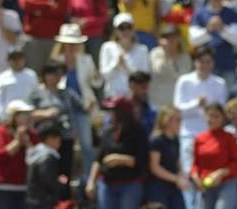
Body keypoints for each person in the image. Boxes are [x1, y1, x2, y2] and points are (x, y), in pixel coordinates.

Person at [86, 95, 148, 209]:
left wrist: (120, 159)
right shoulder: (108, 132)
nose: (110, 114)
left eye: (113, 110)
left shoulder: (138, 131)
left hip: (130, 184)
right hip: (107, 183)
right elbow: (98, 159)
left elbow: (141, 161)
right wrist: (91, 181)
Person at [174, 45, 228, 209]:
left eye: (208, 61)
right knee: (190, 172)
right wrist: (196, 104)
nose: (205, 65)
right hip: (189, 132)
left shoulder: (219, 83)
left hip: (210, 134)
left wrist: (208, 108)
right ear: (195, 62)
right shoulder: (184, 81)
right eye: (201, 61)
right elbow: (179, 108)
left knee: (207, 172)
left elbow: (222, 108)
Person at [53, 22, 100, 183]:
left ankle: (88, 178)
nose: (71, 47)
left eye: (74, 44)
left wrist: (95, 75)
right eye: (68, 44)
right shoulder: (57, 61)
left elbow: (97, 83)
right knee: (65, 146)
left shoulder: (86, 60)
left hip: (83, 108)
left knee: (87, 145)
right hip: (63, 110)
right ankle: (62, 177)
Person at [191, 102, 237, 209]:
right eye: (209, 116)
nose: (212, 119)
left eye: (216, 116)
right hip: (207, 187)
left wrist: (221, 172)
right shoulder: (199, 139)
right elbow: (195, 164)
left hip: (226, 184)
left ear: (222, 118)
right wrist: (195, 177)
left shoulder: (229, 138)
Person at [28, 59, 84, 180]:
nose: (56, 77)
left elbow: (82, 106)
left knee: (65, 172)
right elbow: (27, 114)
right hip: (44, 139)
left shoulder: (67, 93)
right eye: (53, 74)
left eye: (59, 74)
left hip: (65, 137)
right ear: (45, 75)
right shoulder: (36, 94)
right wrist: (46, 114)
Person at [148, 106, 191, 209]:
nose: (180, 122)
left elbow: (177, 162)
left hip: (173, 187)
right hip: (158, 187)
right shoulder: (156, 140)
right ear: (166, 121)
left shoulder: (175, 139)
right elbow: (155, 167)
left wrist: (181, 175)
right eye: (176, 119)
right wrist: (175, 179)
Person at [24, 118, 62, 209]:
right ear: (48, 139)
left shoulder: (37, 154)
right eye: (56, 137)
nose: (59, 141)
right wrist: (59, 184)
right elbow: (48, 180)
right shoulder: (46, 157)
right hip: (43, 201)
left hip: (36, 200)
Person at [189, 0, 237, 88]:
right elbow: (193, 40)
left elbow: (236, 40)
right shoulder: (199, 13)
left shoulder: (232, 13)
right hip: (204, 68)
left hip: (227, 66)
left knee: (226, 98)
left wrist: (222, 28)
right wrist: (208, 30)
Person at [98, 12, 149, 99]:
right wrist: (116, 65)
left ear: (133, 29)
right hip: (113, 97)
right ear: (115, 30)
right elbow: (104, 76)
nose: (125, 31)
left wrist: (127, 68)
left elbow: (144, 78)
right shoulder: (107, 47)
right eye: (121, 28)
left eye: (128, 27)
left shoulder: (142, 50)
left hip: (135, 99)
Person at [148, 23, 191, 111]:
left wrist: (172, 60)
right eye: (166, 37)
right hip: (156, 103)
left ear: (179, 38)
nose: (170, 40)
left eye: (173, 37)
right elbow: (158, 70)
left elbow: (182, 77)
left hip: (176, 104)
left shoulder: (185, 57)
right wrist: (167, 54)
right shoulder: (155, 53)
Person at [18, 0, 68, 75]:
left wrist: (39, 10)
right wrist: (48, 5)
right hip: (34, 40)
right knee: (32, 74)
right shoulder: (49, 4)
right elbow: (26, 5)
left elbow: (61, 10)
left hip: (54, 41)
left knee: (53, 74)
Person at [0, 43, 37, 121]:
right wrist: (2, 118)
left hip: (28, 116)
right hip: (8, 117)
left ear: (24, 59)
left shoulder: (31, 75)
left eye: (19, 58)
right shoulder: (2, 77)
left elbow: (35, 96)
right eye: (13, 58)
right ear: (8, 60)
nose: (17, 61)